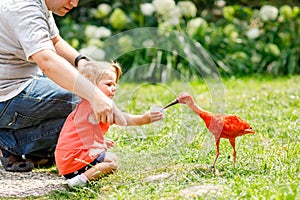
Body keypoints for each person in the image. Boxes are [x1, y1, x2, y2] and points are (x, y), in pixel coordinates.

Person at [0, 0, 125, 172]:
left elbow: (54, 41)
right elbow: (47, 61)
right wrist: (95, 96)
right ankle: (11, 142)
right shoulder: (24, 10)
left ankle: (32, 148)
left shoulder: (39, 4)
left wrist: (80, 61)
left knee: (86, 92)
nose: (74, 4)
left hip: (19, 84)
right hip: (7, 95)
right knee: (81, 99)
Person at [55, 61, 164, 188]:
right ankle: (80, 180)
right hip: (74, 161)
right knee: (112, 161)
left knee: (106, 156)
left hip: (66, 162)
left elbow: (77, 135)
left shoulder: (83, 106)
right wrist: (143, 119)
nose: (114, 88)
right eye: (108, 84)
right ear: (91, 86)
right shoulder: (97, 107)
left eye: (115, 84)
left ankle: (77, 175)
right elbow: (122, 119)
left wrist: (98, 141)